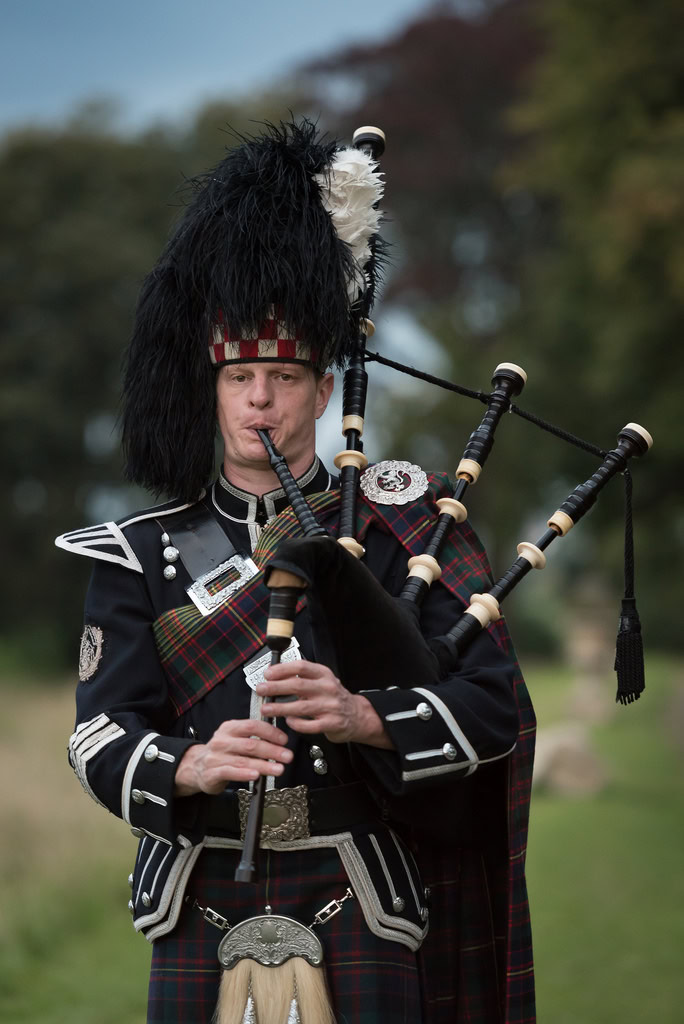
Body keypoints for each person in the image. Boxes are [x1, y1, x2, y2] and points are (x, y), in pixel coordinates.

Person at [57, 120, 536, 1024]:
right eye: (240, 377)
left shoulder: (405, 527)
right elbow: (96, 735)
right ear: (212, 386)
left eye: (282, 374)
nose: (260, 402)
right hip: (196, 891)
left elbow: (495, 708)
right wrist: (190, 765)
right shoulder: (139, 554)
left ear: (323, 389)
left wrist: (363, 716)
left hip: (365, 891)